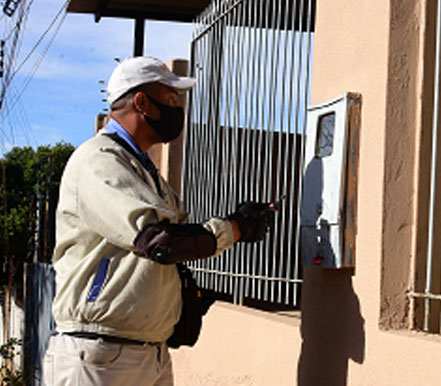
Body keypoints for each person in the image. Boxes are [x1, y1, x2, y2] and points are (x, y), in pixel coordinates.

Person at [43, 56, 274, 386]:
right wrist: (235, 228)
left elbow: (168, 247)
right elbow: (160, 241)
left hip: (148, 352)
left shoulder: (143, 170)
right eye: (169, 99)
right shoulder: (98, 160)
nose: (177, 107)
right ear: (141, 102)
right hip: (100, 355)